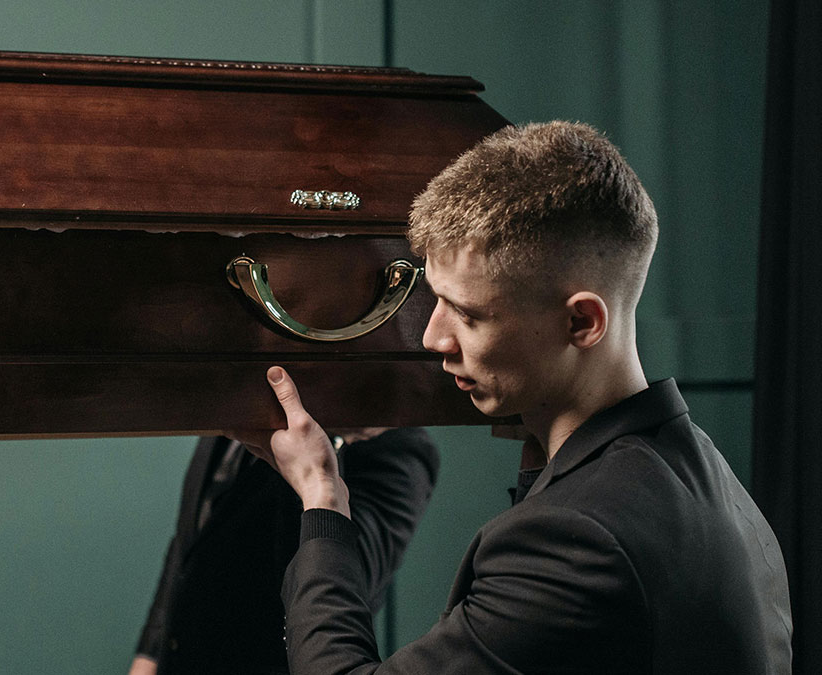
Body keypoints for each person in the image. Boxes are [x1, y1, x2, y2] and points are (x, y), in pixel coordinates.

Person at [239, 121, 793, 673]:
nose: (434, 338)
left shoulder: (574, 539)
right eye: (436, 300)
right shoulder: (708, 475)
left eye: (468, 313)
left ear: (581, 321)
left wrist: (323, 499)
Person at [130, 428, 439, 675]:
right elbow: (191, 539)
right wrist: (149, 653)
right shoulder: (230, 414)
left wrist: (325, 443)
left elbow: (347, 585)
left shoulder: (400, 449)